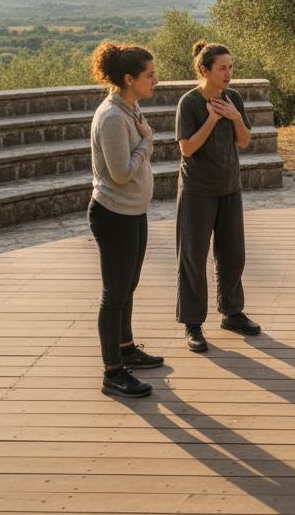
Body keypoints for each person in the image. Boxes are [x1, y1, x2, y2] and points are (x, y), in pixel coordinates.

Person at [88, 41, 164, 399]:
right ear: (129, 78)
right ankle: (112, 372)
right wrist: (147, 143)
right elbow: (120, 173)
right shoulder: (114, 117)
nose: (156, 81)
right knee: (114, 293)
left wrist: (143, 138)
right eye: (150, 76)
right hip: (114, 214)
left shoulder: (129, 107)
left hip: (133, 211)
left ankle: (126, 347)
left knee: (128, 285)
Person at [175, 41, 261, 354]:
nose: (228, 73)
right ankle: (193, 324)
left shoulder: (233, 98)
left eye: (230, 67)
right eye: (222, 68)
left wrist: (235, 116)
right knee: (193, 259)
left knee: (233, 254)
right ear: (205, 70)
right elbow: (187, 148)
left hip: (229, 187)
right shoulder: (189, 103)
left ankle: (232, 313)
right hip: (197, 191)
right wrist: (212, 118)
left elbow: (245, 140)